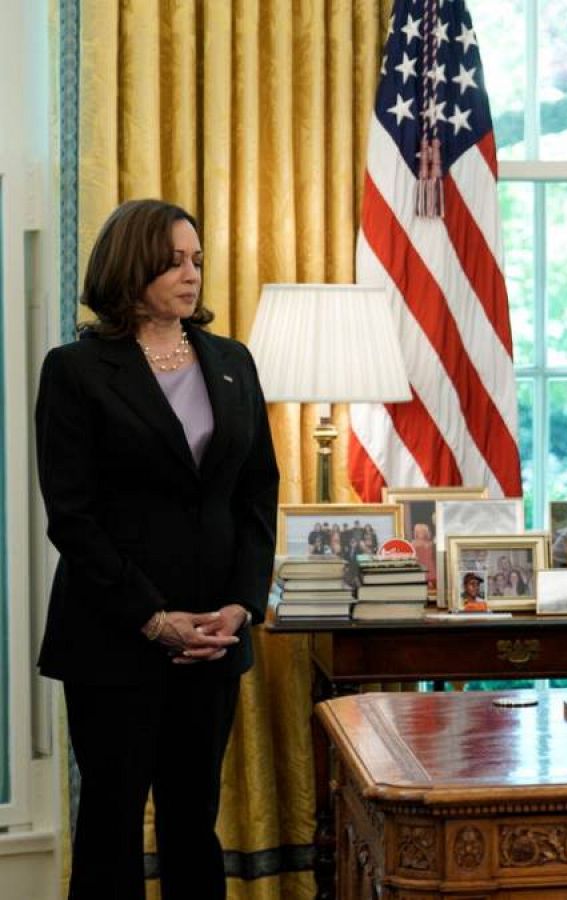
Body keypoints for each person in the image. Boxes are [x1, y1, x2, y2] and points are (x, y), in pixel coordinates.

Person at [35, 198, 279, 898]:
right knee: (112, 826)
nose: (191, 274)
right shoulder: (76, 370)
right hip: (115, 637)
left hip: (214, 636)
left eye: (196, 260)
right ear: (130, 266)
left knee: (193, 822)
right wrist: (153, 618)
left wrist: (240, 605)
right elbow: (72, 517)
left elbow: (256, 496)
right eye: (173, 261)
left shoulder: (232, 361)